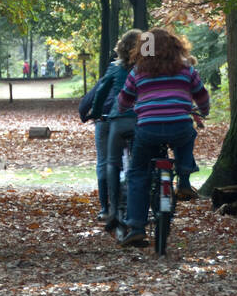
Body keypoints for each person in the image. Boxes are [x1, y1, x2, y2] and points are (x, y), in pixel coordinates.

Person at [113, 28, 209, 248]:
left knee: (138, 174)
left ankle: (137, 227)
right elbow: (201, 95)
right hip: (179, 126)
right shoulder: (186, 69)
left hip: (148, 130)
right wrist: (203, 110)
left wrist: (124, 108)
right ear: (175, 46)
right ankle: (184, 178)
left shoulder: (138, 71)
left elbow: (124, 100)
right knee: (188, 134)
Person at [88, 30, 142, 225]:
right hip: (141, 119)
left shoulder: (115, 68)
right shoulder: (147, 68)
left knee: (109, 162)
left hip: (118, 118)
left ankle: (109, 208)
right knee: (140, 163)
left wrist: (95, 112)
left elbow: (101, 91)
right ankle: (140, 205)